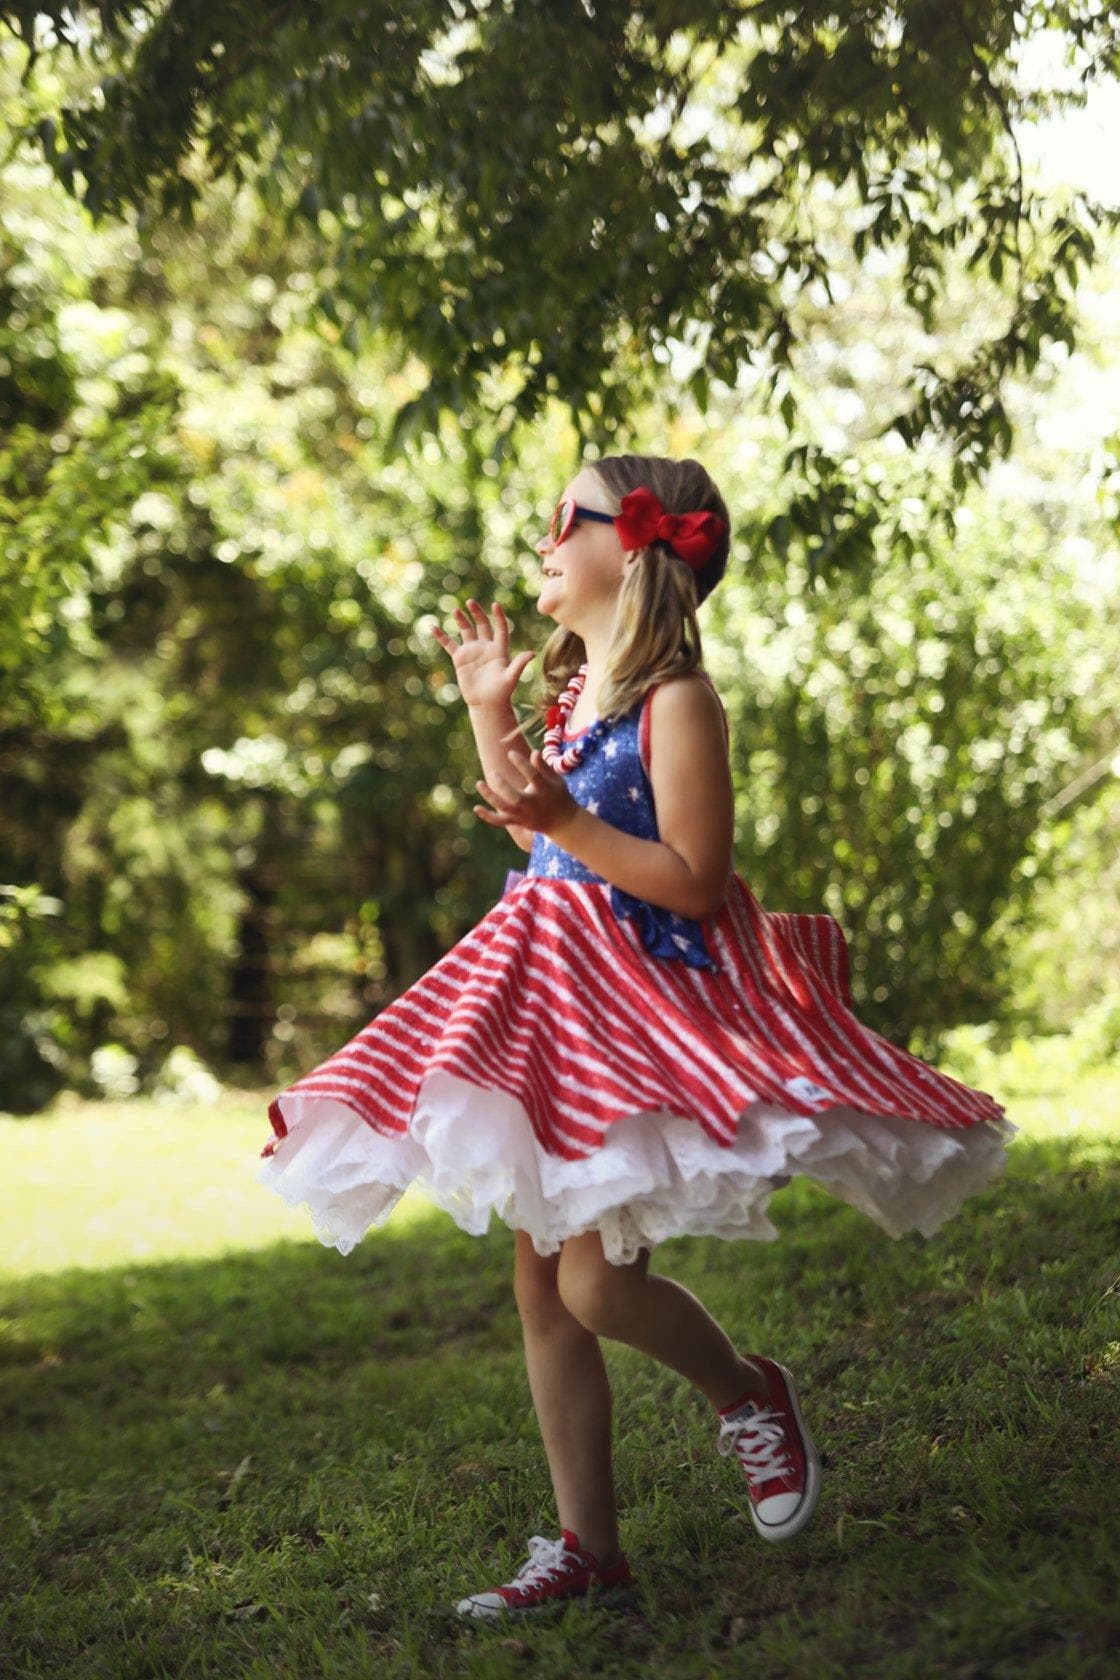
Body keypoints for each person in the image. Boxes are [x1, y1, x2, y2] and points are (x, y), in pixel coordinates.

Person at [258, 452, 1015, 1620]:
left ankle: (746, 1391)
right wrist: (489, 710)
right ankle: (587, 1547)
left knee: (599, 1290)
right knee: (540, 1291)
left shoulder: (678, 702)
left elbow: (695, 881)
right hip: (549, 1005)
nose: (546, 535)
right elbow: (535, 838)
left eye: (569, 516)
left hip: (635, 1010)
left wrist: (559, 814)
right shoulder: (577, 701)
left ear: (641, 547)